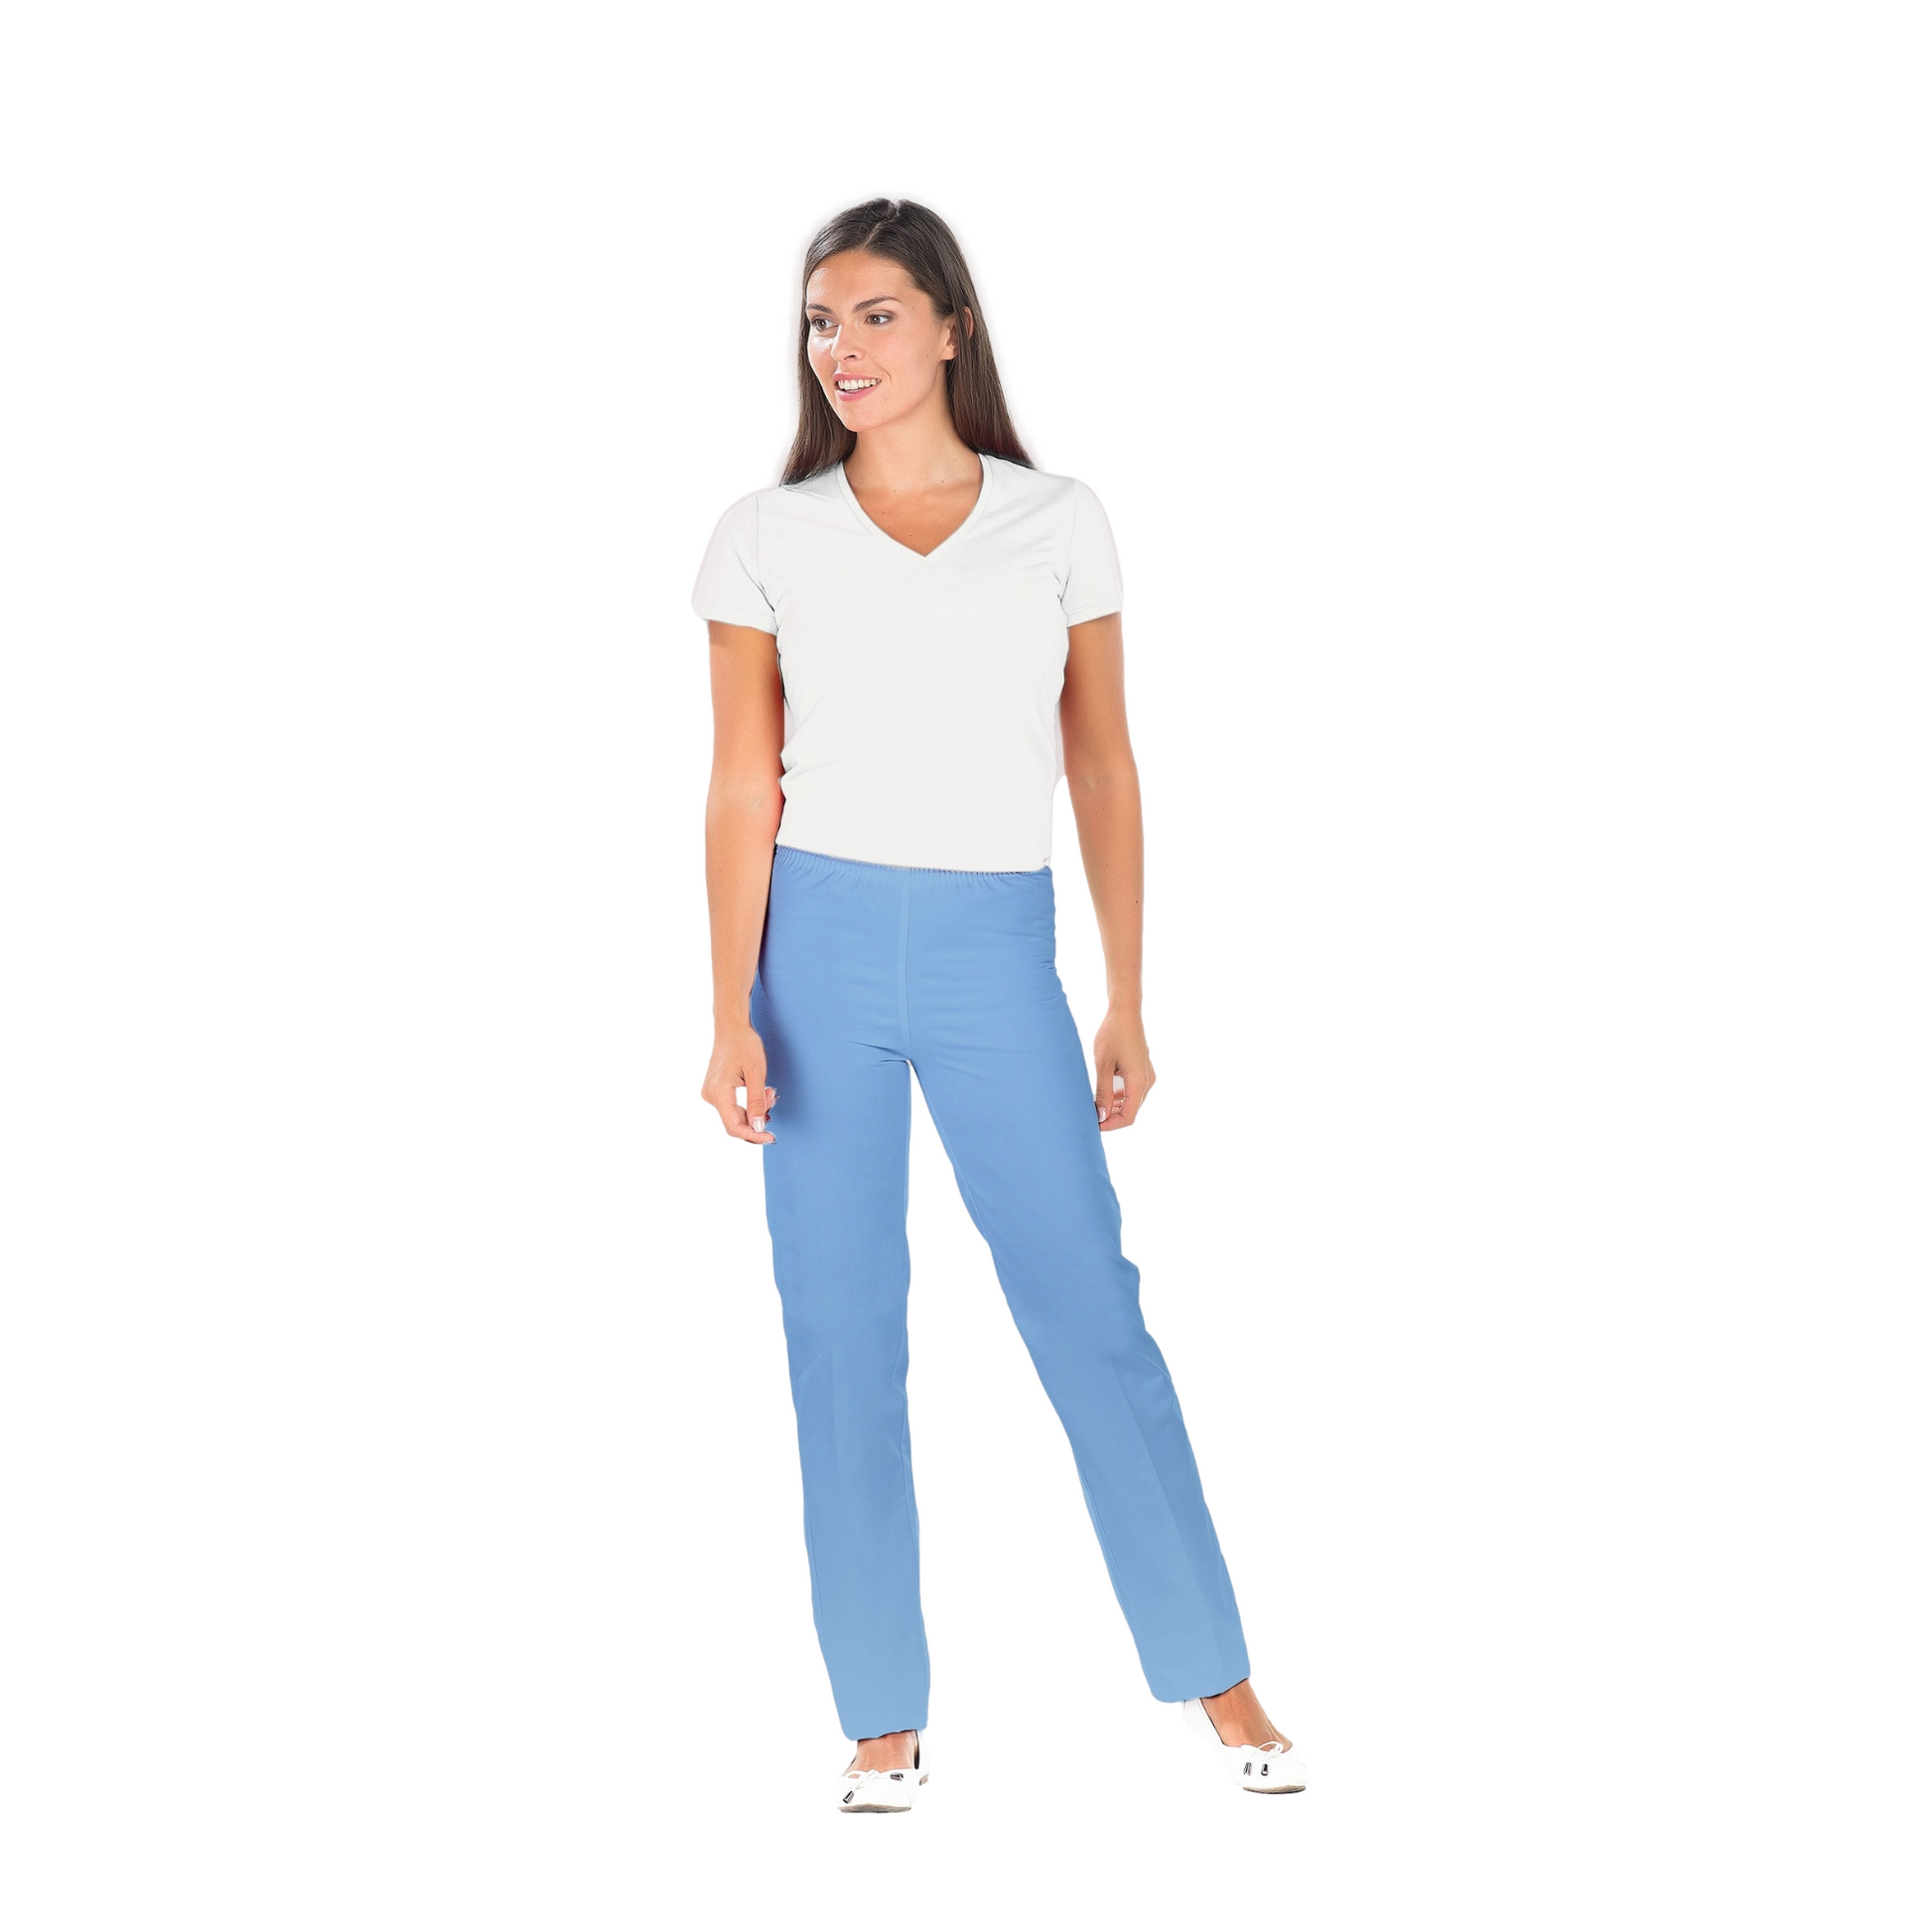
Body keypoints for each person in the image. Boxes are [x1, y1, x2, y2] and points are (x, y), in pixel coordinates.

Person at [694, 198, 1306, 1809]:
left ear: (951, 327)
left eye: (876, 314)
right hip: (814, 955)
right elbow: (741, 784)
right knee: (838, 1329)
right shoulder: (764, 534)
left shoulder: (1056, 520)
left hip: (995, 948)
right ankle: (878, 1713)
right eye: (820, 321)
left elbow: (1101, 761)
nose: (840, 347)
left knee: (1088, 1309)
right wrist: (728, 1007)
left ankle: (1217, 1673)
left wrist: (1127, 994)